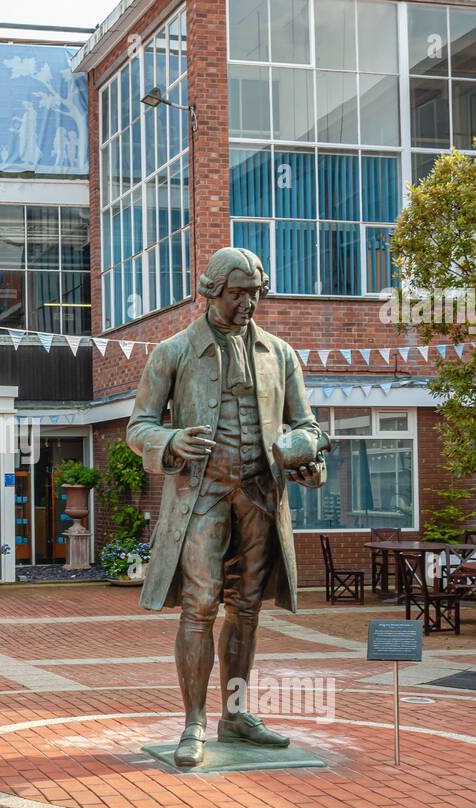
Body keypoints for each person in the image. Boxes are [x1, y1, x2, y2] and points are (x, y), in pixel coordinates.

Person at [126, 247, 329, 768]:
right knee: (199, 607)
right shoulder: (172, 352)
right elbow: (138, 426)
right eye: (238, 293)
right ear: (211, 290)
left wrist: (304, 452)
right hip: (202, 495)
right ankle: (193, 722)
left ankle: (235, 714)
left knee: (247, 609)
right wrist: (169, 440)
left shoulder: (280, 354)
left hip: (261, 494)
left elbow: (307, 424)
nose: (248, 304)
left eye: (255, 293)